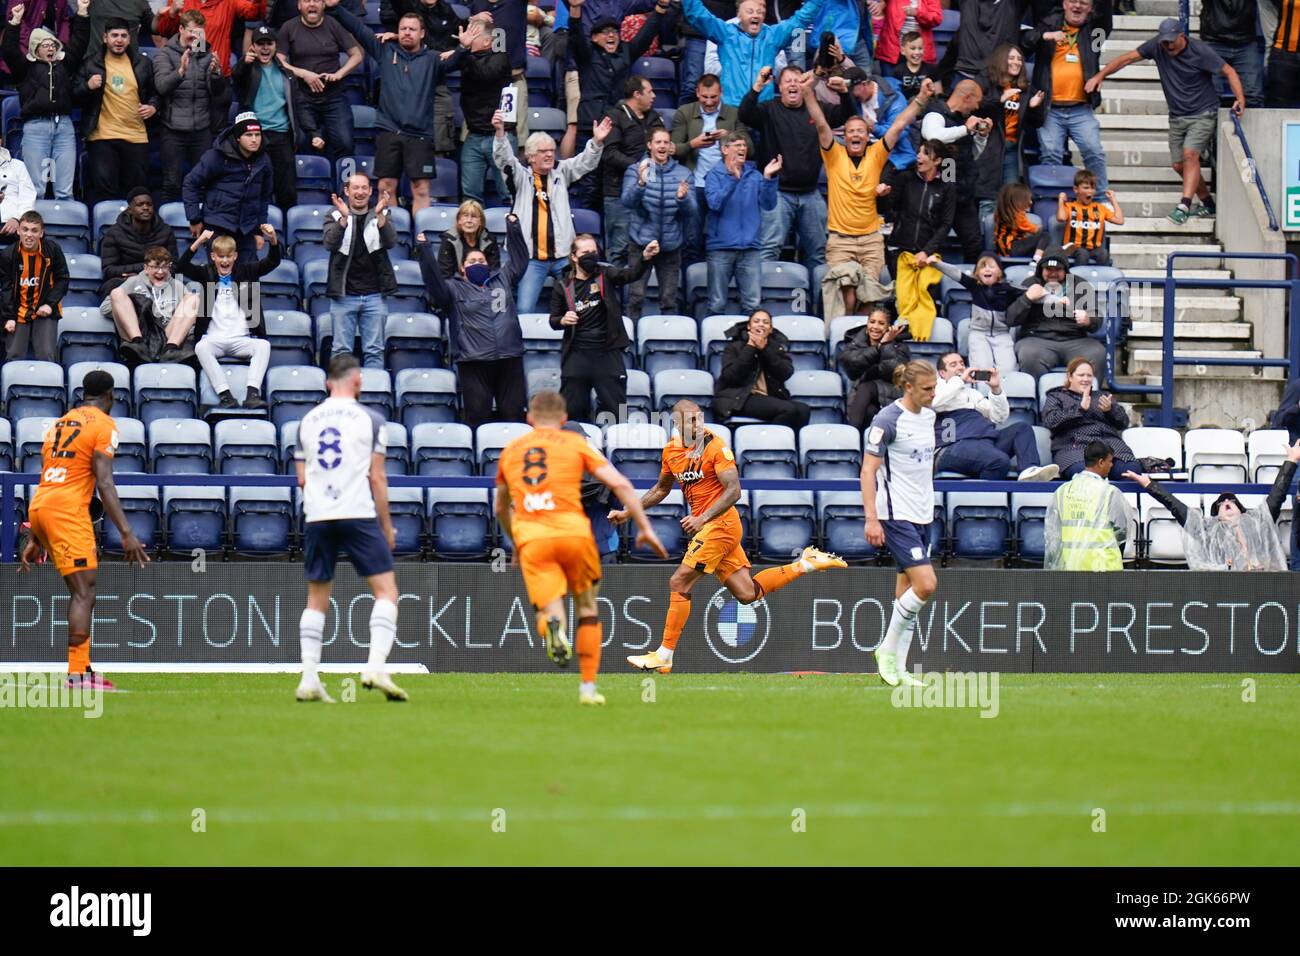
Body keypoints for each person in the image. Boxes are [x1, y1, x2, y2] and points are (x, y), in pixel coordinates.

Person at [619, 399, 847, 675]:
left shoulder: (716, 447)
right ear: (677, 424)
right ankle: (807, 563)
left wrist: (702, 517)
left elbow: (734, 490)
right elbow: (660, 489)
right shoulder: (671, 451)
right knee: (747, 593)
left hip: (720, 525)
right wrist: (628, 512)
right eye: (690, 421)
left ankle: (664, 655)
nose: (697, 424)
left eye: (699, 418)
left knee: (679, 580)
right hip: (713, 527)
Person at [495, 390, 668, 705]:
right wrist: (645, 528)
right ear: (563, 420)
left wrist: (517, 542)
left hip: (533, 537)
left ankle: (552, 625)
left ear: (529, 419)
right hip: (576, 534)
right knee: (588, 608)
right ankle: (588, 690)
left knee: (550, 608)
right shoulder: (577, 443)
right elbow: (621, 484)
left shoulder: (511, 450)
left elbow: (500, 507)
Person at [18, 369, 151, 693]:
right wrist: (126, 531)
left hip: (41, 505)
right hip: (66, 511)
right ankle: (78, 675)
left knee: (80, 589)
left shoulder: (60, 424)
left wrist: (36, 534)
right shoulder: (105, 425)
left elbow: (51, 473)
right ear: (111, 396)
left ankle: (83, 669)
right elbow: (104, 481)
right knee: (84, 592)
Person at [293, 354, 407, 703]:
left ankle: (309, 677)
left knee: (316, 598)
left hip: (318, 514)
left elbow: (301, 478)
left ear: (328, 382)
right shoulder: (371, 420)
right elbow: (378, 477)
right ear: (357, 381)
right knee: (386, 592)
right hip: (357, 512)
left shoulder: (306, 421)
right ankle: (375, 666)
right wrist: (387, 527)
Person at [326, 0, 480, 214]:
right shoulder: (385, 51)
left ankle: (419, 240)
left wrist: (463, 47)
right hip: (389, 132)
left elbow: (455, 63)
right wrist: (335, 8)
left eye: (412, 29)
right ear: (397, 31)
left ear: (422, 33)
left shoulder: (433, 59)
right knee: (385, 187)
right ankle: (392, 238)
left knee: (421, 189)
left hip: (420, 135)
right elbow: (358, 28)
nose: (407, 33)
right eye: (403, 29)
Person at [1086, 17, 1245, 225]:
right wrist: (1100, 76)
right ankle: (1207, 203)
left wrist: (1240, 98)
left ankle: (1184, 206)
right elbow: (1126, 59)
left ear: (1182, 36)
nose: (1167, 45)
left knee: (1191, 155)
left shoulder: (1200, 51)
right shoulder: (1157, 45)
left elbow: (1229, 71)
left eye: (1171, 41)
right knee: (1179, 165)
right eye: (1164, 41)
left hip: (1203, 112)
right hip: (1177, 115)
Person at [806, 70, 932, 308]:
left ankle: (864, 343)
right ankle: (843, 340)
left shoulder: (876, 154)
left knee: (869, 298)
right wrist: (807, 94)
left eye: (860, 131)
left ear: (867, 136)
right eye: (851, 130)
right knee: (847, 293)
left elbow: (900, 124)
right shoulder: (834, 155)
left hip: (871, 240)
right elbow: (821, 124)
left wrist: (921, 99)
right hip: (840, 241)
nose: (855, 134)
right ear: (845, 134)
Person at [860, 360, 937, 688]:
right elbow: (867, 471)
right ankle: (886, 650)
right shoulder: (887, 420)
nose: (933, 394)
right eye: (926, 389)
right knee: (926, 585)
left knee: (906, 593)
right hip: (896, 515)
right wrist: (871, 518)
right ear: (908, 387)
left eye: (934, 388)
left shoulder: (930, 414)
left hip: (924, 514)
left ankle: (900, 670)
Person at [493, 109, 612, 314]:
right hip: (531, 259)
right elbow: (505, 160)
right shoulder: (520, 177)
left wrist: (597, 142)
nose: (549, 154)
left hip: (563, 257)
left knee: (579, 307)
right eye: (543, 151)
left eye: (551, 150)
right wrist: (500, 134)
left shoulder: (561, 172)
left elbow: (586, 162)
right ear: (530, 157)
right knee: (524, 308)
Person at [417, 213, 528, 428]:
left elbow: (520, 261)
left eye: (481, 261)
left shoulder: (502, 279)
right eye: (472, 261)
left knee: (514, 415)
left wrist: (514, 228)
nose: (477, 263)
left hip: (510, 357)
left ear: (488, 265)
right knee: (478, 417)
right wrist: (424, 251)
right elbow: (432, 280)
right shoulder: (452, 288)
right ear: (462, 268)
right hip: (474, 361)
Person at [741, 65, 852, 272]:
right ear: (779, 87)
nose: (793, 84)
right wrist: (757, 87)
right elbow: (745, 114)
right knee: (769, 249)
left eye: (798, 80)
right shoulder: (768, 109)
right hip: (777, 193)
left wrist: (844, 93)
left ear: (806, 86)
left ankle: (817, 302)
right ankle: (766, 301)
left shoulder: (816, 109)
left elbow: (847, 115)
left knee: (818, 252)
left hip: (810, 193)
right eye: (787, 81)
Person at [1124, 443, 1300, 571]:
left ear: (1241, 509)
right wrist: (1149, 485)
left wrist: (1291, 460)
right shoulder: (1208, 531)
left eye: (1231, 501)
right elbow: (1175, 506)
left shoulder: (1259, 522)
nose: (1226, 503)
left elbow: (1278, 494)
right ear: (1216, 516)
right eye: (1220, 504)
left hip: (1265, 589)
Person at [549, 232, 657, 424]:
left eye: (594, 250)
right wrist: (563, 320)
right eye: (585, 252)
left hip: (607, 353)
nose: (591, 255)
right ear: (574, 256)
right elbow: (553, 320)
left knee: (617, 411)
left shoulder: (605, 274)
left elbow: (630, 274)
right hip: (577, 354)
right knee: (570, 410)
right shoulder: (562, 285)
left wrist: (645, 258)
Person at [176, 225, 281, 410]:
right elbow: (181, 266)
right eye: (220, 256)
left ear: (235, 256)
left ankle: (252, 394)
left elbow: (272, 262)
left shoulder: (246, 271)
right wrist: (199, 242)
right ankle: (225, 395)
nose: (224, 261)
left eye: (228, 256)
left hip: (241, 339)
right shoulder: (206, 273)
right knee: (201, 347)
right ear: (213, 257)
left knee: (263, 345)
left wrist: (272, 240)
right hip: (214, 339)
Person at [1, 0, 91, 202]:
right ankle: (33, 231)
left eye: (53, 44)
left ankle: (66, 232)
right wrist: (14, 22)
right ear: (35, 49)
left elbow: (79, 43)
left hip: (64, 127)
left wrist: (83, 14)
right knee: (36, 189)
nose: (50, 48)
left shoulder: (64, 65)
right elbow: (9, 50)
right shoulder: (25, 68)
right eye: (45, 45)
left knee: (65, 191)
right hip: (36, 127)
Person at [932, 351, 1059, 482]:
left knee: (1021, 428)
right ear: (942, 373)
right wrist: (960, 380)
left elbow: (999, 417)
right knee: (999, 461)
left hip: (984, 443)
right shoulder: (936, 388)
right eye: (953, 365)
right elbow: (934, 402)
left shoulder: (973, 394)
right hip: (951, 447)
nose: (960, 367)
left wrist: (996, 389)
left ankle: (1029, 470)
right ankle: (982, 499)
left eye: (962, 364)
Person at [1026, 0, 1112, 194]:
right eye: (1073, 1)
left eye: (1083, 3)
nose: (1077, 6)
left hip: (1081, 107)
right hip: (1050, 109)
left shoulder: (1095, 32)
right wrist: (1044, 36)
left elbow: (1105, 16)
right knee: (1051, 155)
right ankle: (1055, 202)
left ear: (1091, 8)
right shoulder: (1049, 23)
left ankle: (1100, 199)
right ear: (1064, 4)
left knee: (1094, 152)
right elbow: (1025, 41)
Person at [680, 0, 830, 108]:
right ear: (738, 15)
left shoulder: (772, 36)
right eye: (750, 11)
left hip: (762, 110)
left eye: (760, 12)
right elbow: (697, 15)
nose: (756, 15)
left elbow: (802, 18)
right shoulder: (725, 34)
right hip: (732, 110)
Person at [75, 17, 157, 209]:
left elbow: (156, 94)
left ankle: (134, 236)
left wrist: (153, 106)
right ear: (105, 38)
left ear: (129, 39)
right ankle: (108, 236)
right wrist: (87, 86)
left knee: (137, 194)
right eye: (114, 36)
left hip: (136, 136)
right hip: (102, 136)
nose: (118, 40)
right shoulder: (90, 64)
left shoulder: (143, 63)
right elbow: (72, 95)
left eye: (123, 36)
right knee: (105, 193)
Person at [152, 10, 229, 203]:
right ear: (180, 29)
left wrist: (217, 75)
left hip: (201, 129)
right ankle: (170, 228)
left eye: (199, 32)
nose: (195, 36)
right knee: (172, 184)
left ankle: (202, 229)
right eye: (191, 31)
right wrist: (180, 72)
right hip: (173, 130)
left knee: (203, 182)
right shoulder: (165, 54)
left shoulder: (206, 54)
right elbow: (161, 87)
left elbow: (217, 93)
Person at [669, 72, 745, 264]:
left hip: (724, 183)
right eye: (704, 97)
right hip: (696, 184)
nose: (709, 102)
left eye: (713, 97)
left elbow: (750, 148)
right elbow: (672, 149)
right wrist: (693, 144)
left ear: (721, 93)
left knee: (722, 239)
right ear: (697, 93)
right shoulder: (684, 112)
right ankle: (691, 284)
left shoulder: (733, 114)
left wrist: (729, 137)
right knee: (692, 239)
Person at [324, 174, 398, 370]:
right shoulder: (335, 214)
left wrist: (381, 216)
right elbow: (329, 244)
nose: (360, 192)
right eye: (355, 188)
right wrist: (343, 220)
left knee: (374, 351)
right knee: (341, 352)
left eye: (364, 188)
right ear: (347, 191)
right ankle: (341, 397)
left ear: (370, 191)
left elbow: (390, 241)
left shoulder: (380, 213)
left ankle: (373, 396)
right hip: (343, 295)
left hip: (375, 295)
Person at [277, 0, 364, 163]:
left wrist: (340, 73)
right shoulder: (289, 27)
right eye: (307, 1)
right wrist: (303, 74)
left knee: (345, 143)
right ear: (299, 5)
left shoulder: (334, 25)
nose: (312, 5)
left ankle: (342, 186)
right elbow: (279, 61)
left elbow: (357, 55)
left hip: (334, 96)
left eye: (316, 0)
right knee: (302, 142)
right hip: (303, 98)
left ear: (323, 5)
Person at [621, 126, 694, 318]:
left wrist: (682, 198)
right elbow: (627, 202)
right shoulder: (637, 169)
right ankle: (630, 343)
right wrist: (641, 184)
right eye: (658, 142)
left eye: (666, 142)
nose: (662, 146)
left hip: (670, 246)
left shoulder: (683, 173)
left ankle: (668, 342)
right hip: (641, 244)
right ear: (649, 145)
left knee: (669, 300)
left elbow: (692, 211)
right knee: (635, 297)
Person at [704, 130, 779, 316]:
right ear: (724, 149)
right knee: (716, 304)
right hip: (720, 248)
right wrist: (731, 180)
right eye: (737, 145)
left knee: (753, 306)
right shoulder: (714, 175)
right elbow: (714, 204)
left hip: (750, 249)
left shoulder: (754, 175)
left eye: (744, 145)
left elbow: (769, 205)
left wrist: (769, 178)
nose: (742, 148)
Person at [182, 112, 274, 262]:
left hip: (247, 230)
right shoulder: (216, 156)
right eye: (248, 135)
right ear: (238, 137)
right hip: (218, 225)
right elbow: (190, 183)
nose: (254, 139)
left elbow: (264, 198)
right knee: (218, 280)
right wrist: (194, 219)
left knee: (250, 281)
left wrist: (259, 230)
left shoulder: (264, 160)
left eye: (257, 135)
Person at [919, 78, 992, 262]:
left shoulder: (963, 122)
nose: (976, 108)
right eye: (976, 102)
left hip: (962, 195)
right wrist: (966, 130)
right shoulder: (936, 113)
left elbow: (972, 154)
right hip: (936, 195)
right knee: (931, 247)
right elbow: (933, 136)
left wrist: (981, 137)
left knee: (974, 245)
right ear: (967, 97)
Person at [1005, 248, 1106, 379]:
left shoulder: (1080, 284)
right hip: (1037, 340)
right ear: (1041, 269)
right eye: (1048, 269)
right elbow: (1011, 319)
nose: (1053, 274)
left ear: (1065, 270)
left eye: (1058, 270)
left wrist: (1088, 320)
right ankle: (1035, 398)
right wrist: (1027, 298)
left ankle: (1087, 398)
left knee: (1097, 353)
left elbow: (1097, 316)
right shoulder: (1030, 284)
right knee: (1029, 355)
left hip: (1075, 339)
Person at [598, 74, 665, 266]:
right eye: (650, 91)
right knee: (619, 250)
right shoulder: (614, 117)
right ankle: (615, 296)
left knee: (647, 249)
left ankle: (637, 295)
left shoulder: (655, 118)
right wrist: (638, 168)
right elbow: (609, 154)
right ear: (637, 94)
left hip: (650, 193)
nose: (653, 95)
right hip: (618, 193)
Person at [233, 25, 300, 212]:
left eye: (268, 43)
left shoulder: (286, 73)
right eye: (260, 44)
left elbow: (297, 106)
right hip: (255, 135)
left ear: (275, 45)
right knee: (256, 187)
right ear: (252, 46)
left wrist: (312, 132)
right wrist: (243, 63)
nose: (264, 48)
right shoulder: (247, 69)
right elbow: (236, 79)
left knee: (286, 189)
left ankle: (285, 233)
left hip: (281, 134)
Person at [1040, 357, 1141, 479]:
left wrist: (1110, 411)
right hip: (1075, 448)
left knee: (1131, 470)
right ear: (1070, 376)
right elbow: (1051, 421)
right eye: (1081, 375)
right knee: (1084, 475)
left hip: (1110, 446)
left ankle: (1116, 498)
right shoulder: (1057, 396)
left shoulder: (1103, 396)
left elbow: (1123, 422)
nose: (1086, 379)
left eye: (1089, 376)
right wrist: (1079, 409)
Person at [713, 308, 811, 429]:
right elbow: (731, 376)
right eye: (756, 321)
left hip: (769, 398)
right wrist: (750, 347)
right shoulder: (734, 347)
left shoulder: (775, 348)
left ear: (770, 330)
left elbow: (786, 372)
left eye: (765, 322)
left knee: (803, 409)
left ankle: (789, 444)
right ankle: (769, 444)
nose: (761, 324)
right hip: (739, 398)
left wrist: (764, 349)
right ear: (749, 326)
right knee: (788, 410)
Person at [104, 244, 201, 365]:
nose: (160, 272)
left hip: (167, 336)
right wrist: (133, 305)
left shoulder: (177, 286)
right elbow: (105, 308)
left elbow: (188, 319)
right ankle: (138, 343)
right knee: (117, 293)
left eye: (165, 267)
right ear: (146, 268)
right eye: (155, 267)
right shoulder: (133, 282)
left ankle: (171, 350)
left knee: (193, 298)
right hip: (140, 333)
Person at [1044, 439, 1132, 571]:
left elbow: (1053, 534)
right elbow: (1122, 533)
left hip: (1071, 567)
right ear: (1101, 462)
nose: (1112, 465)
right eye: (1110, 461)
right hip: (1105, 569)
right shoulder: (1109, 492)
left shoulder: (1062, 491)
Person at [880, 138, 955, 282]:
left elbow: (946, 224)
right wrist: (882, 197)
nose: (919, 156)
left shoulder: (947, 187)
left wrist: (926, 251)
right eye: (918, 152)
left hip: (928, 253)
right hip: (900, 249)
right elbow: (885, 208)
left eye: (925, 153)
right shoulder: (905, 178)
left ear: (937, 161)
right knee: (901, 298)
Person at [932, 256, 1020, 372]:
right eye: (982, 267)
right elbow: (955, 273)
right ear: (977, 273)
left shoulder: (1008, 288)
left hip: (1002, 334)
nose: (987, 270)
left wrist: (1050, 297)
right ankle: (982, 388)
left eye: (992, 266)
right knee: (982, 370)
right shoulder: (974, 285)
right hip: (979, 334)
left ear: (1000, 272)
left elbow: (1033, 293)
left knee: (1008, 369)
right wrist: (936, 263)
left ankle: (1001, 389)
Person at [0, 209, 67, 361]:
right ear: (18, 231)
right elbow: (7, 288)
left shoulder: (53, 250)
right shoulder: (8, 255)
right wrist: (9, 317)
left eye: (34, 231)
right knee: (13, 357)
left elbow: (62, 279)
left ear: (41, 233)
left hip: (45, 309)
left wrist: (50, 304)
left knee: (46, 355)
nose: (29, 235)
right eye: (25, 230)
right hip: (18, 311)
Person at [457, 21, 512, 205]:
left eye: (474, 35)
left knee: (509, 193)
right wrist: (461, 53)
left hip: (500, 136)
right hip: (473, 136)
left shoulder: (500, 57)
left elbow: (485, 74)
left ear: (488, 41)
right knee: (470, 198)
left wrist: (464, 53)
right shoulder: (465, 56)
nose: (468, 38)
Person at [840, 305, 912, 430]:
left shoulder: (899, 347)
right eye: (872, 322)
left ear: (888, 327)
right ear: (867, 324)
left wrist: (887, 345)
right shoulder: (855, 342)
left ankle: (851, 433)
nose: (875, 327)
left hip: (892, 392)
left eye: (881, 323)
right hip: (864, 399)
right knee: (869, 412)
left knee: (867, 386)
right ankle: (859, 442)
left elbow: (894, 372)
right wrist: (878, 348)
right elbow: (852, 368)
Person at [153, 0, 266, 78]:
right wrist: (172, 13)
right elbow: (164, 31)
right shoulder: (180, 1)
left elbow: (255, 14)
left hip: (216, 74)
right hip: (186, 75)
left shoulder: (229, 1)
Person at [986, 42, 1045, 185]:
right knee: (988, 197)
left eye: (1019, 59)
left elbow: (1037, 122)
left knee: (1011, 194)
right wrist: (999, 100)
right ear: (1001, 60)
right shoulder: (989, 85)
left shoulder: (1026, 90)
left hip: (1011, 148)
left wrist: (1033, 107)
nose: (1016, 62)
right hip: (989, 147)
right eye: (1011, 58)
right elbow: (978, 109)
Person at [99, 188, 174, 297]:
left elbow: (174, 264)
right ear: (130, 209)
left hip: (158, 279)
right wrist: (138, 275)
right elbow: (108, 269)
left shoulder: (165, 231)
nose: (145, 208)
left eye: (149, 204)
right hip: (124, 281)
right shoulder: (115, 233)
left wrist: (149, 274)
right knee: (113, 287)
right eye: (140, 204)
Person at [1199, 0, 1265, 108]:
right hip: (1214, 40)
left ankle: (1248, 125)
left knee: (1253, 96)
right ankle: (1213, 125)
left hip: (1246, 40)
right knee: (1210, 96)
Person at [1057, 168, 1123, 265]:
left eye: (1093, 188)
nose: (1090, 191)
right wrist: (1061, 200)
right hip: (1071, 248)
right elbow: (1061, 218)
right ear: (1076, 189)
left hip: (1092, 248)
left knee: (1104, 253)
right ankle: (1072, 280)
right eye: (1086, 188)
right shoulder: (1070, 207)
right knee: (1083, 254)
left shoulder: (1100, 208)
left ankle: (1100, 280)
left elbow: (1120, 221)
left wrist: (1113, 200)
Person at [874, 0, 943, 79]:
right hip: (892, 50)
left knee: (918, 88)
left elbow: (937, 19)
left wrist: (918, 13)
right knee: (890, 87)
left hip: (918, 51)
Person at [435, 199, 500, 279]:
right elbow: (445, 274)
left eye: (474, 216)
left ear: (481, 221)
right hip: (457, 287)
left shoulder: (490, 240)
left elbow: (494, 272)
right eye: (465, 216)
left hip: (483, 287)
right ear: (459, 220)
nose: (469, 221)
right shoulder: (449, 240)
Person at [992, 182, 1050, 259]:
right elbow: (1034, 230)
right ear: (1018, 201)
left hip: (1002, 250)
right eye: (1027, 200)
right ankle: (1037, 258)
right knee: (1045, 235)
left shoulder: (1001, 212)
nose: (1030, 202)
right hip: (1013, 249)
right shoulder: (1018, 216)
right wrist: (1039, 227)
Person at [0, 126, 38, 243]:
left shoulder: (18, 166)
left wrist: (17, 219)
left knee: (34, 235)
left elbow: (28, 196)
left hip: (12, 223)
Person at [886, 29, 940, 100]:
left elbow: (939, 94)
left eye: (920, 48)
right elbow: (894, 96)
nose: (917, 52)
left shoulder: (931, 69)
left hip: (927, 104)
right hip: (906, 106)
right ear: (903, 51)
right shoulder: (897, 71)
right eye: (913, 48)